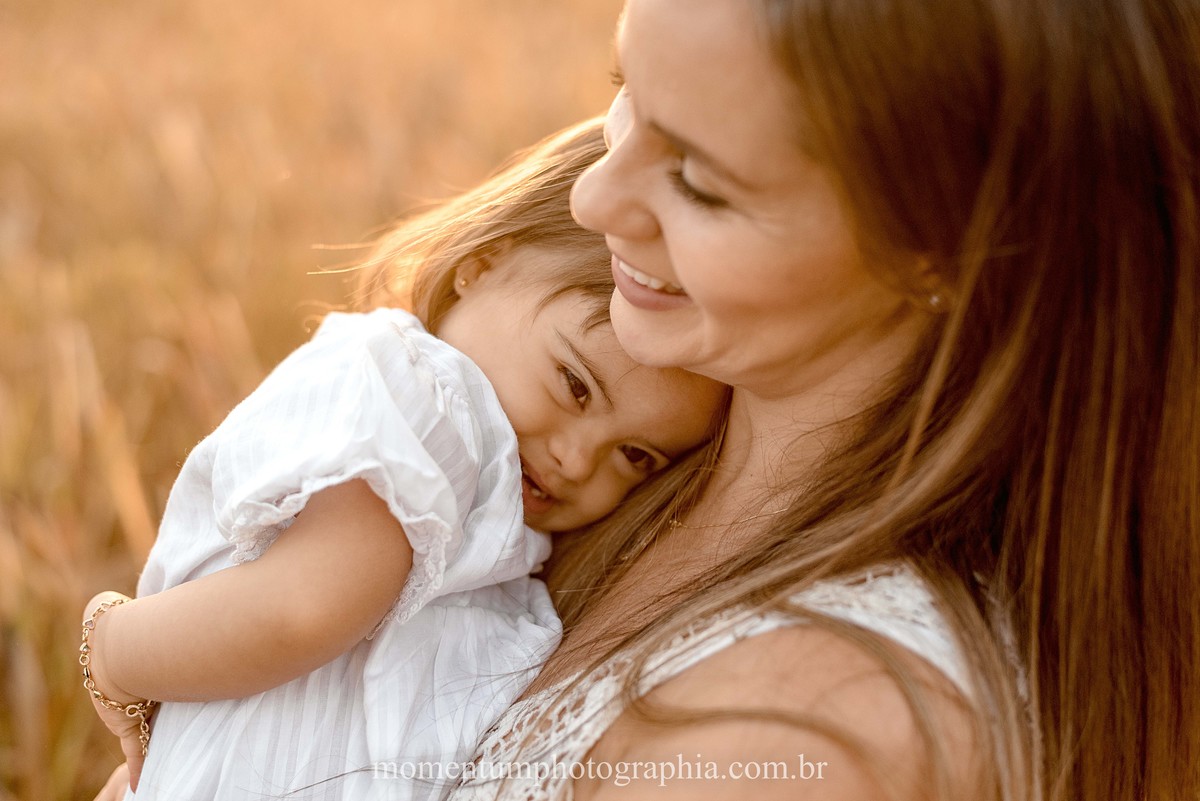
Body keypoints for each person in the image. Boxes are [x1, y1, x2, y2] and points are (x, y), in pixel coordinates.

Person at [436, 1, 1195, 800]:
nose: (592, 198)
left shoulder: (809, 740)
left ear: (942, 252)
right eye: (627, 87)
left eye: (699, 184)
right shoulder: (646, 428)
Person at [79, 119, 728, 801]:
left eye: (635, 455)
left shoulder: (506, 529)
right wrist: (114, 649)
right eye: (574, 384)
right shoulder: (425, 392)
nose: (576, 458)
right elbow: (302, 606)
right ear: (484, 264)